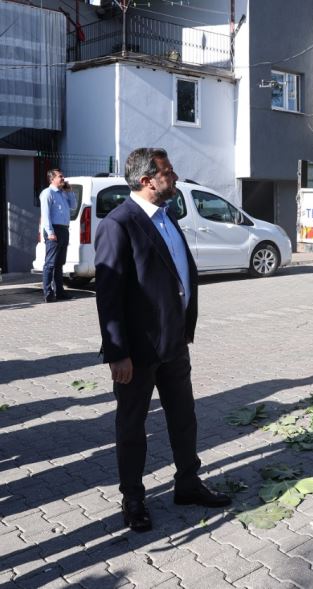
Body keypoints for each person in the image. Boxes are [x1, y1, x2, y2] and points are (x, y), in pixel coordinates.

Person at [94, 147, 231, 533]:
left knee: (184, 419)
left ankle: (187, 483)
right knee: (133, 426)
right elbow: (109, 296)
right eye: (168, 172)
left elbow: (175, 275)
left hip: (173, 344)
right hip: (137, 352)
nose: (174, 176)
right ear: (146, 181)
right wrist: (117, 352)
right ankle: (133, 498)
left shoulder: (167, 217)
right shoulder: (119, 224)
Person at [39, 169, 78, 302]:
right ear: (52, 179)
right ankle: (48, 293)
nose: (63, 178)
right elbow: (45, 215)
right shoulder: (47, 193)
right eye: (60, 176)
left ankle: (60, 292)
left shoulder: (63, 193)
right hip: (54, 230)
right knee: (50, 264)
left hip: (64, 229)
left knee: (59, 263)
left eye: (62, 176)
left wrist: (70, 191)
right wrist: (50, 232)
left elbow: (73, 206)